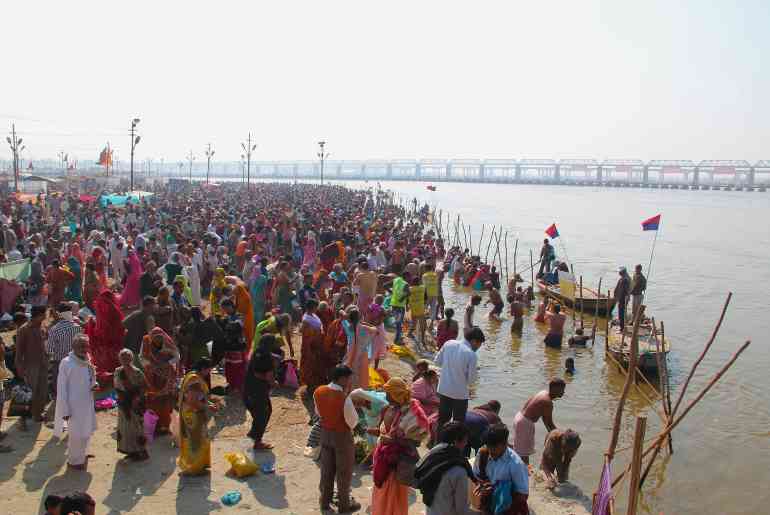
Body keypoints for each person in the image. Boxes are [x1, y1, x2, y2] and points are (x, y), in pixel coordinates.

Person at [369, 377, 429, 515]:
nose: (386, 396)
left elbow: (415, 442)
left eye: (388, 393)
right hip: (383, 458)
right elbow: (387, 432)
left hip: (398, 462)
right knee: (382, 492)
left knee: (394, 496)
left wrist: (392, 441)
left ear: (396, 394)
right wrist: (377, 432)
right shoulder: (390, 408)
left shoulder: (413, 412)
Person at [314, 365, 363, 513]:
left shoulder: (319, 391)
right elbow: (352, 422)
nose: (350, 382)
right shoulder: (343, 398)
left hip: (326, 434)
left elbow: (318, 412)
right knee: (344, 473)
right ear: (342, 379)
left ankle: (324, 503)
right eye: (348, 379)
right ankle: (344, 506)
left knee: (327, 471)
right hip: (342, 437)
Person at [53, 334, 98, 471]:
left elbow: (91, 377)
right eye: (80, 346)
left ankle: (83, 454)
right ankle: (74, 461)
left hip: (87, 401)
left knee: (86, 430)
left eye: (85, 346)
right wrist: (65, 409)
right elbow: (61, 388)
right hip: (73, 405)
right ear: (73, 347)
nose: (83, 348)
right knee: (76, 434)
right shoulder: (66, 362)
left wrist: (94, 384)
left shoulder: (87, 360)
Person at [414, 421, 476, 515]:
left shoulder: (432, 455)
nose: (466, 443)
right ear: (456, 441)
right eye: (465, 440)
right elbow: (462, 511)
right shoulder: (459, 471)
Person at [434, 326, 484, 432]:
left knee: (442, 421)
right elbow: (471, 381)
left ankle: (438, 443)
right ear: (474, 341)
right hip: (460, 395)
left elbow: (437, 362)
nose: (478, 347)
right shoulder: (471, 354)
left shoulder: (449, 344)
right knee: (458, 424)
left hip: (444, 390)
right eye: (479, 344)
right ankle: (453, 446)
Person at [473, 423, 529, 515]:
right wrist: (481, 485)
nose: (491, 451)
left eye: (494, 447)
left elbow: (522, 495)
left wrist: (499, 493)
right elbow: (476, 475)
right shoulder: (482, 453)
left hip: (509, 508)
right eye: (488, 446)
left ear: (505, 444)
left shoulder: (516, 464)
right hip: (487, 504)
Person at [512, 378, 566, 464]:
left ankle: (522, 468)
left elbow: (546, 421)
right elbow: (549, 423)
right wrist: (560, 438)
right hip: (525, 423)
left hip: (519, 417)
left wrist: (553, 434)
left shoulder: (543, 393)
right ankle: (525, 472)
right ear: (555, 388)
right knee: (524, 454)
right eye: (562, 390)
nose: (563, 392)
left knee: (520, 449)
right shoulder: (548, 402)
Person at [46, 303, 82, 422]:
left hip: (59, 363)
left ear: (58, 313)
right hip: (76, 362)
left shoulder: (54, 330)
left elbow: (49, 350)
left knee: (61, 391)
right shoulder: (78, 327)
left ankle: (62, 417)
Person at [178, 359, 215, 475]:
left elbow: (200, 397)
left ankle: (198, 465)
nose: (209, 372)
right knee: (195, 440)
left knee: (197, 439)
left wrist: (209, 404)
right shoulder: (194, 380)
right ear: (204, 368)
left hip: (192, 412)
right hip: (193, 414)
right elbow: (192, 401)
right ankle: (194, 467)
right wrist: (208, 407)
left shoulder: (192, 376)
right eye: (209, 369)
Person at [140, 327, 179, 435]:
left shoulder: (168, 343)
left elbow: (177, 356)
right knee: (152, 400)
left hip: (166, 376)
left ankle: (166, 426)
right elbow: (142, 358)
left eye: (159, 338)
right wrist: (151, 365)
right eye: (155, 338)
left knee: (166, 401)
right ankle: (154, 427)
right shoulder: (146, 342)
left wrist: (167, 363)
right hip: (151, 376)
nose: (158, 341)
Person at [15, 305, 49, 424]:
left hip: (43, 363)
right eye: (44, 314)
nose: (45, 316)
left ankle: (37, 414)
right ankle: (22, 419)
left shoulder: (43, 327)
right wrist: (19, 367)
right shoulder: (24, 329)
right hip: (30, 365)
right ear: (39, 315)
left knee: (42, 390)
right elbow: (19, 351)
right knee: (29, 392)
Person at [114, 348, 148, 461]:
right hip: (124, 404)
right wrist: (123, 398)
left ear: (132, 358)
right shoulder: (118, 372)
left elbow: (144, 387)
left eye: (127, 357)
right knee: (125, 428)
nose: (125, 360)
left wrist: (137, 398)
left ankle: (139, 451)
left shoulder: (137, 372)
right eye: (122, 358)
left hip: (135, 404)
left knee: (137, 427)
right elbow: (117, 387)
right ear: (120, 359)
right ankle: (130, 450)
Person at [244, 337, 276, 451]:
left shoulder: (256, 352)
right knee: (263, 414)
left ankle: (254, 434)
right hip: (258, 391)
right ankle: (257, 441)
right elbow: (268, 376)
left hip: (248, 388)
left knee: (259, 413)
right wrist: (273, 384)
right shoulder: (267, 357)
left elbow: (255, 372)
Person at [342, 307, 378, 390]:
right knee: (361, 376)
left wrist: (347, 316)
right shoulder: (365, 328)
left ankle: (348, 390)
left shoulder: (348, 327)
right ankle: (359, 394)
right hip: (362, 356)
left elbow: (341, 314)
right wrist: (364, 323)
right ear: (360, 318)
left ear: (349, 318)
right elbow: (375, 329)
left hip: (350, 354)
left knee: (350, 372)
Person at [299, 299, 326, 396]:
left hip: (316, 345)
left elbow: (319, 326)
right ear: (312, 307)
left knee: (315, 364)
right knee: (309, 365)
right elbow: (302, 330)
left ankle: (313, 384)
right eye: (316, 306)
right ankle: (309, 386)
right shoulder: (306, 318)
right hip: (310, 347)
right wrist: (315, 333)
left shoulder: (313, 315)